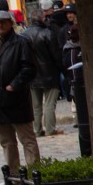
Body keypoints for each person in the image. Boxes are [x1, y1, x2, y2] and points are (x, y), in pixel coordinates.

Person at [0, 11, 40, 185]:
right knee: (6, 141)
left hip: (16, 98)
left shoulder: (21, 42)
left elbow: (29, 68)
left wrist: (14, 85)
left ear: (10, 23)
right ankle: (13, 174)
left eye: (2, 22)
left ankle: (34, 173)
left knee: (27, 138)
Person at [22, 8, 63, 137]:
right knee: (50, 103)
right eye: (46, 18)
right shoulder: (48, 34)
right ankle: (50, 129)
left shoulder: (24, 35)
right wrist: (62, 69)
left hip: (32, 75)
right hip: (49, 73)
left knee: (36, 106)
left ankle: (37, 130)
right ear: (41, 19)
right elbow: (56, 56)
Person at [63, 25, 90, 157]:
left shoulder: (74, 48)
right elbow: (72, 72)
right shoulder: (72, 50)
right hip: (78, 87)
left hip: (79, 86)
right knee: (83, 119)